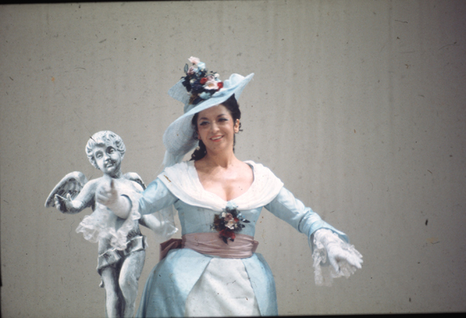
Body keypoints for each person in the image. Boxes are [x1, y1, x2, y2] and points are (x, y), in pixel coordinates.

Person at [96, 57, 363, 317]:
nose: (214, 129)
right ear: (196, 132)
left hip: (246, 287)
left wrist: (328, 240)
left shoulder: (261, 178)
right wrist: (114, 200)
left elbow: (303, 216)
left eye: (221, 119)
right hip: (185, 286)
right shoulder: (179, 177)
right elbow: (138, 205)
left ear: (236, 123)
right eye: (204, 122)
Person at [45, 130, 175, 318]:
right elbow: (77, 204)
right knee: (112, 296)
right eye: (99, 155)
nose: (106, 157)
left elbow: (142, 213)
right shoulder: (94, 186)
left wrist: (160, 225)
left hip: (133, 245)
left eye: (110, 150)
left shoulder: (133, 182)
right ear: (94, 162)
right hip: (106, 250)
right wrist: (66, 205)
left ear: (121, 151)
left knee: (126, 283)